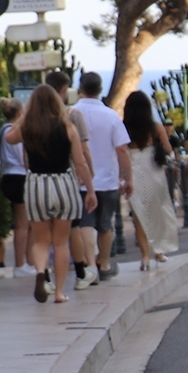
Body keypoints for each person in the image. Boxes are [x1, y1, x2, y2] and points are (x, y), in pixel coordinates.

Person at [6, 82, 93, 303]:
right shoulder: (67, 128)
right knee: (61, 242)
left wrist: (24, 116)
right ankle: (61, 292)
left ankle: (41, 274)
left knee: (41, 241)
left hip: (36, 185)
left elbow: (10, 137)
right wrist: (90, 190)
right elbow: (80, 163)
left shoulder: (28, 129)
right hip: (64, 183)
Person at [65, 73, 127, 286]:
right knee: (105, 225)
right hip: (108, 179)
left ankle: (89, 264)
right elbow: (122, 149)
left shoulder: (71, 113)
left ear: (80, 88)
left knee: (84, 224)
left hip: (81, 180)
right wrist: (127, 178)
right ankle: (104, 264)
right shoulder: (111, 116)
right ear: (100, 89)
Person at [121, 91, 178, 265]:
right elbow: (168, 150)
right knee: (158, 211)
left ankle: (144, 256)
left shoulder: (124, 128)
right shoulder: (156, 127)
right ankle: (159, 251)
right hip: (154, 172)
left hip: (134, 171)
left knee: (139, 214)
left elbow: (121, 152)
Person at [0, 96, 32, 276]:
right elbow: (22, 156)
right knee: (23, 224)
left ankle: (26, 263)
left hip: (8, 175)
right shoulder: (14, 132)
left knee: (24, 223)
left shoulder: (2, 130)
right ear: (20, 113)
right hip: (19, 176)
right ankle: (20, 264)